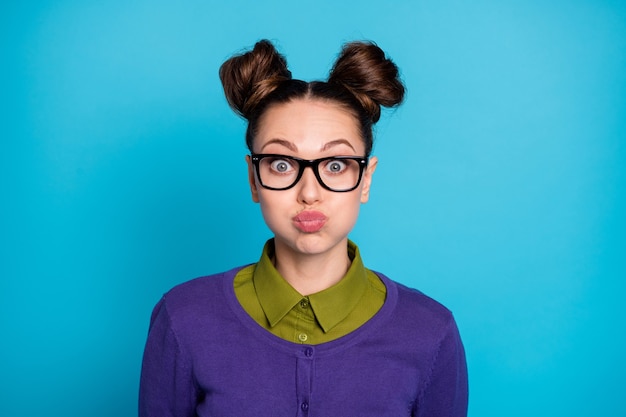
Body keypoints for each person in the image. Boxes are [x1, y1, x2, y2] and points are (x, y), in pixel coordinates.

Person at [139, 39, 468, 417]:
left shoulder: (430, 331)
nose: (309, 193)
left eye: (335, 165)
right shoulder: (183, 317)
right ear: (253, 178)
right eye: (281, 164)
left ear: (365, 180)